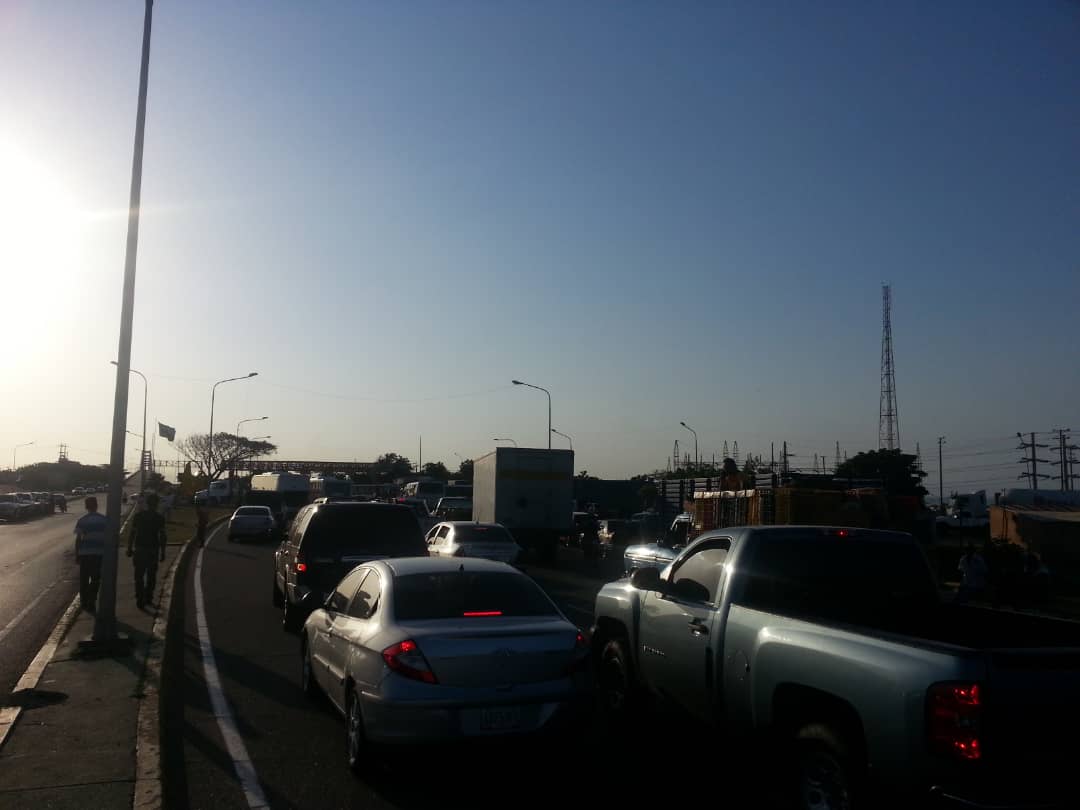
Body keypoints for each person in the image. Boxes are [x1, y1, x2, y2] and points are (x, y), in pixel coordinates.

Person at [126, 492, 167, 609]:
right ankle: (148, 597)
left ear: (147, 503)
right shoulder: (159, 518)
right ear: (157, 504)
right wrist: (163, 551)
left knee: (138, 576)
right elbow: (162, 536)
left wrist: (129, 547)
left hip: (139, 549)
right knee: (151, 575)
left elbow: (132, 534)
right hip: (153, 550)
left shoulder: (138, 516)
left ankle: (140, 598)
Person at [74, 496, 107, 612]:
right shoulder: (104, 520)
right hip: (98, 554)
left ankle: (84, 602)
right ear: (96, 505)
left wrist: (77, 554)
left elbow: (78, 539)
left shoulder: (82, 520)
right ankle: (92, 600)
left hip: (85, 554)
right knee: (95, 579)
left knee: (84, 579)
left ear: (86, 506)